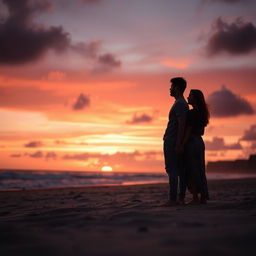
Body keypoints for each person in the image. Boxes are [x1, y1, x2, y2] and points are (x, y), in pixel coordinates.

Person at [162, 77, 189, 206]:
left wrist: (178, 144)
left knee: (173, 170)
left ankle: (174, 199)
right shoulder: (180, 103)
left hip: (173, 142)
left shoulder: (180, 104)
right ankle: (180, 198)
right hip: (172, 140)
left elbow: (182, 125)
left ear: (177, 88)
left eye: (172, 86)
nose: (170, 89)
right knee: (178, 170)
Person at [182, 89, 210, 204]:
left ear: (195, 98)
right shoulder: (203, 113)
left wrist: (182, 144)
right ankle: (203, 197)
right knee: (201, 169)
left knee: (192, 169)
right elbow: (201, 131)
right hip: (200, 141)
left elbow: (188, 131)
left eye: (190, 96)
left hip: (192, 142)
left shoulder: (191, 113)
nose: (188, 98)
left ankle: (195, 197)